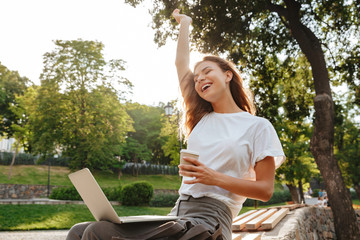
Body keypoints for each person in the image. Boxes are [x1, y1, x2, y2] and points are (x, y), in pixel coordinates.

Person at [65, 9, 285, 240]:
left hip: (211, 220)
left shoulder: (257, 126)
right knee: (78, 231)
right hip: (178, 213)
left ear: (228, 75)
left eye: (207, 71)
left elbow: (265, 190)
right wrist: (185, 24)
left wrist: (212, 177)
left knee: (97, 232)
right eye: (197, 77)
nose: (200, 79)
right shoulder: (201, 118)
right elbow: (181, 63)